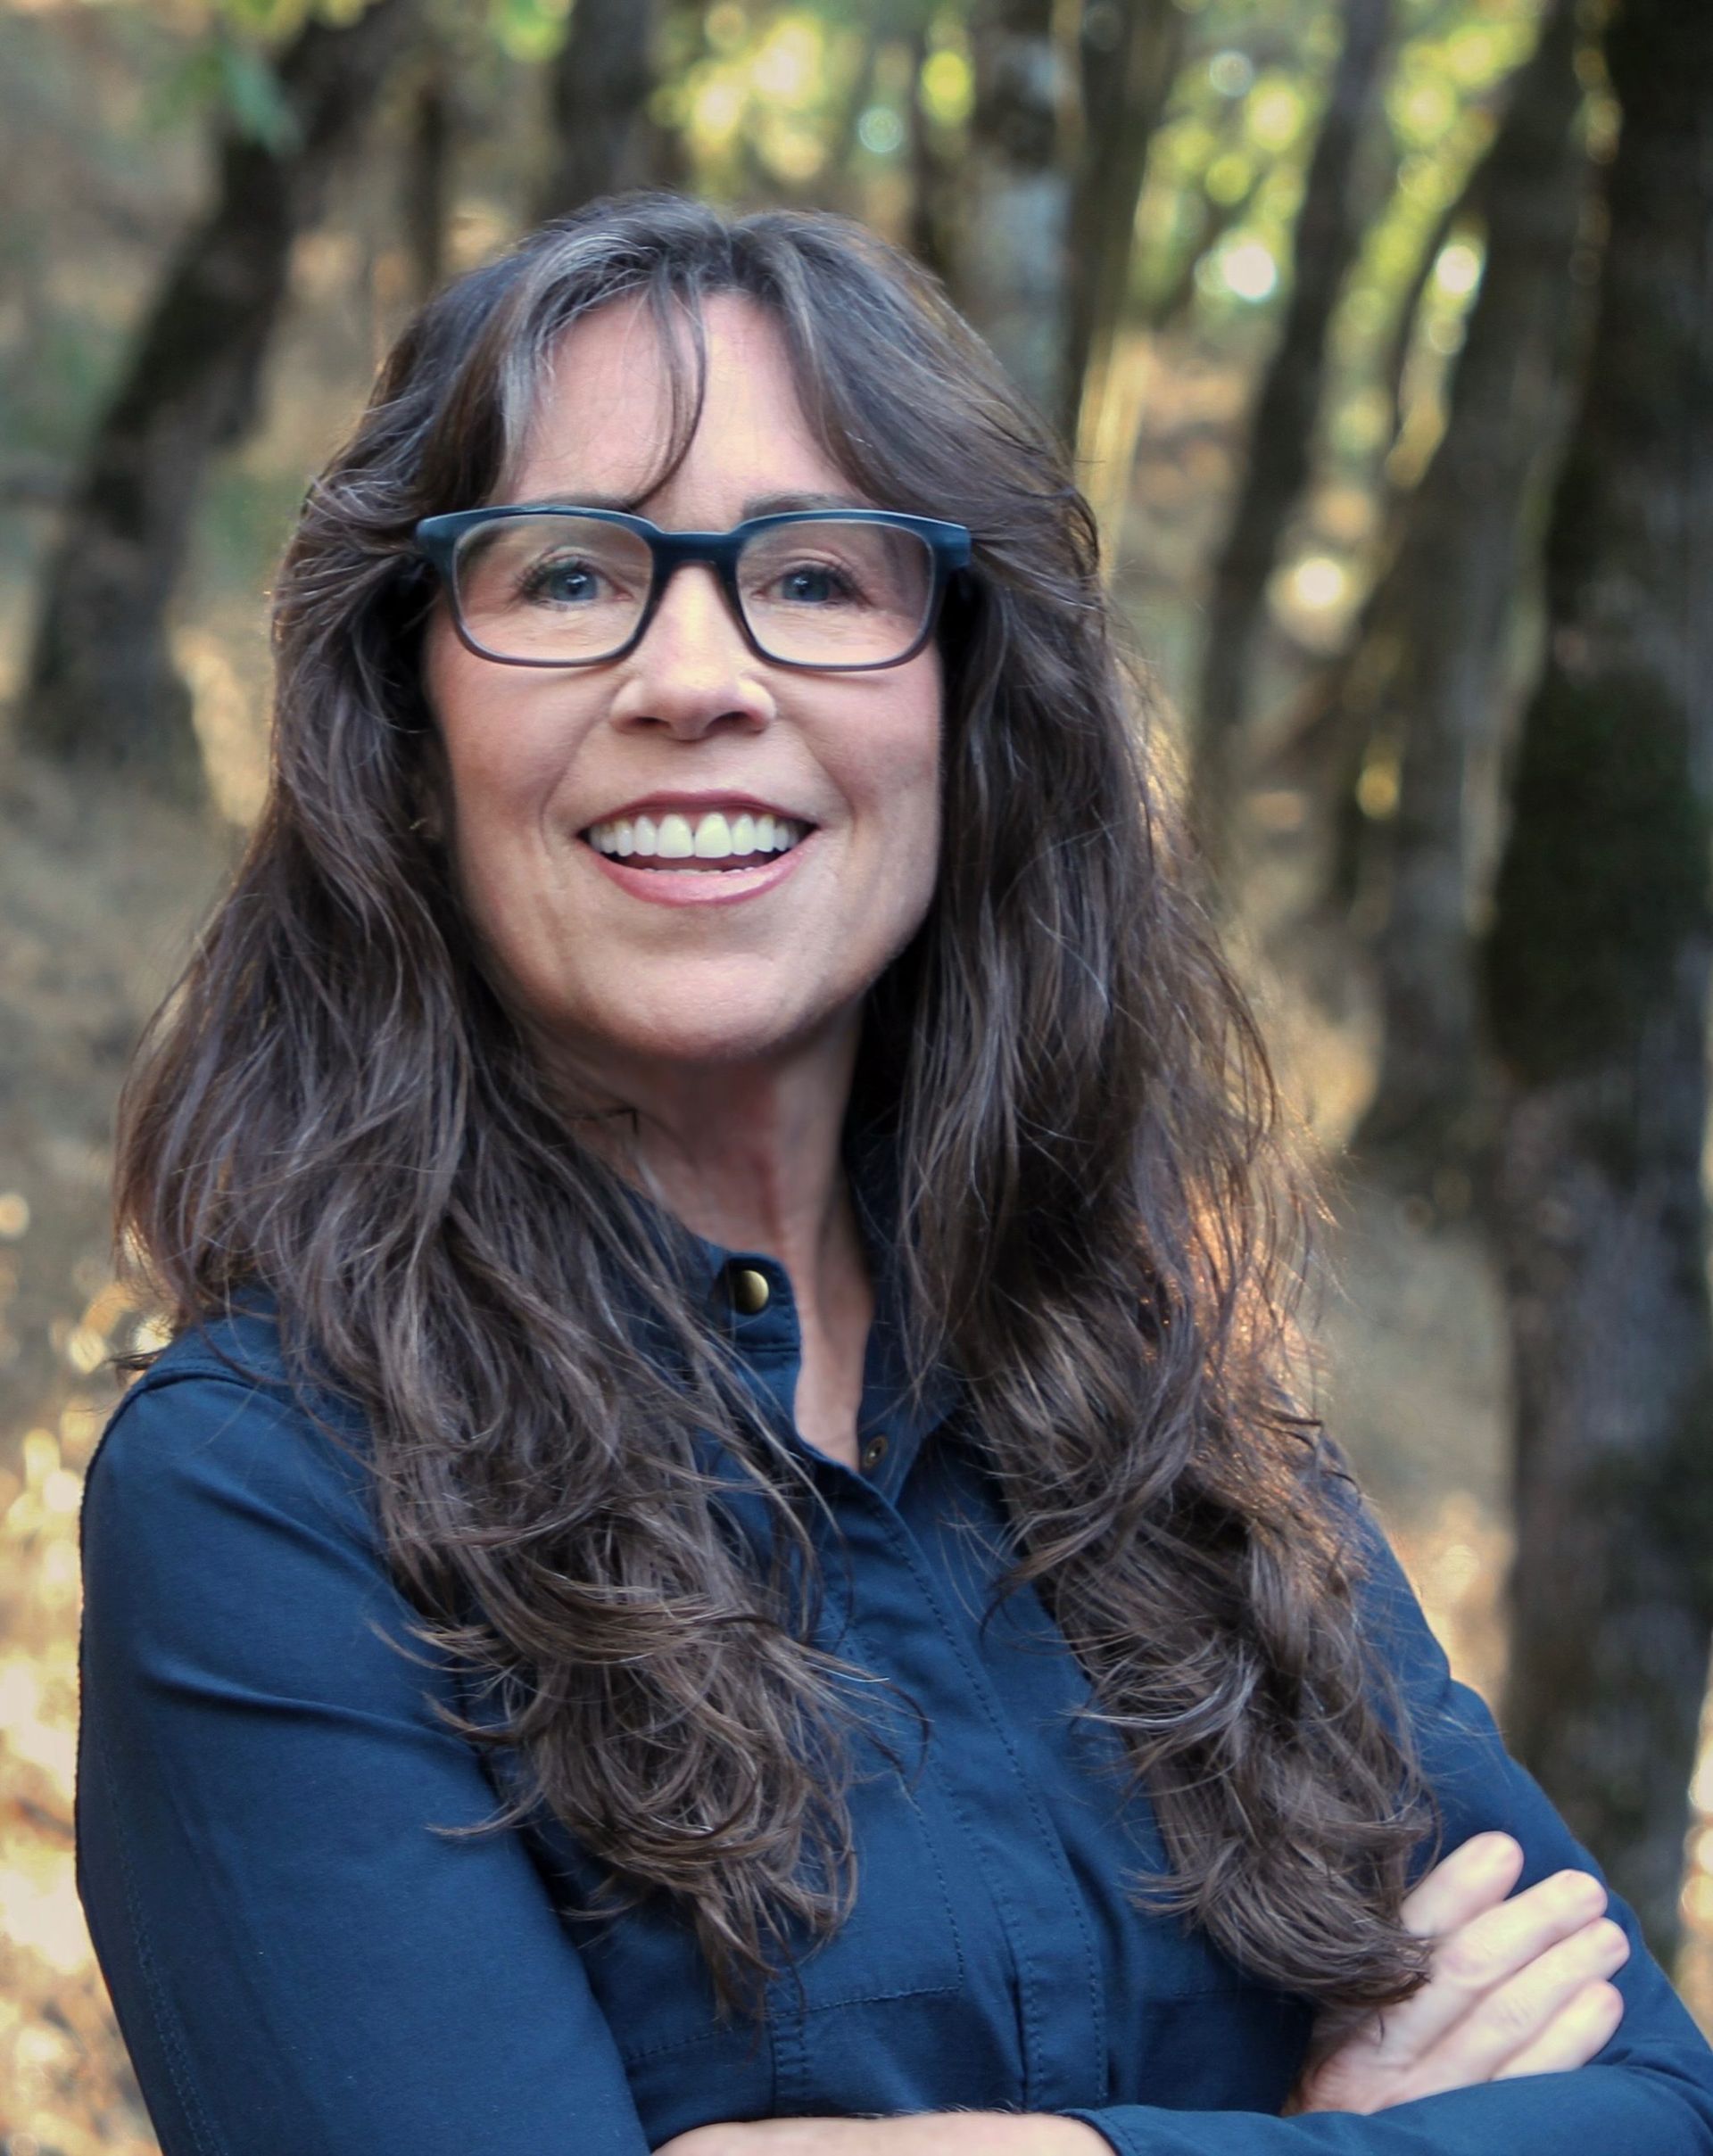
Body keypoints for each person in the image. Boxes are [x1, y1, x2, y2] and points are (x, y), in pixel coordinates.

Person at [73, 193, 1713, 2156]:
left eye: (821, 575)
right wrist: (1335, 2126)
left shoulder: (1164, 1416)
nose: (694, 673)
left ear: (965, 711)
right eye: (571, 576)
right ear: (410, 737)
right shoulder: (264, 1502)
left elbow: (1652, 2099)